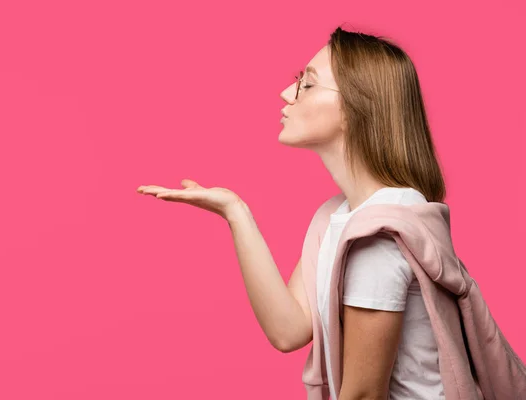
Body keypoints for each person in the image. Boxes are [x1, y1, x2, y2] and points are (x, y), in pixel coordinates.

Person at [137, 26, 448, 399]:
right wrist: (236, 212)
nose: (287, 93)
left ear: (355, 108)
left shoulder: (376, 233)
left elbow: (363, 395)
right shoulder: (341, 214)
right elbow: (288, 330)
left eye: (308, 83)